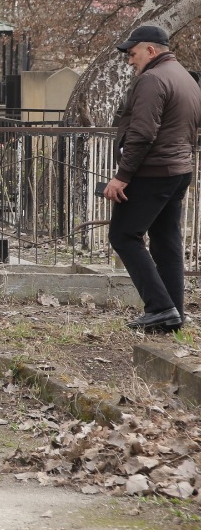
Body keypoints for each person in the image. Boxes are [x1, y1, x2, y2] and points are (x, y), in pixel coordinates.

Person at [103, 24, 201, 332]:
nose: (130, 61)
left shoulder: (152, 79)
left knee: (123, 235)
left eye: (133, 54)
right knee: (166, 241)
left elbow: (143, 133)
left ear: (150, 50)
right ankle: (173, 315)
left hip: (152, 172)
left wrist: (122, 176)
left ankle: (159, 307)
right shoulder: (186, 78)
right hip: (178, 171)